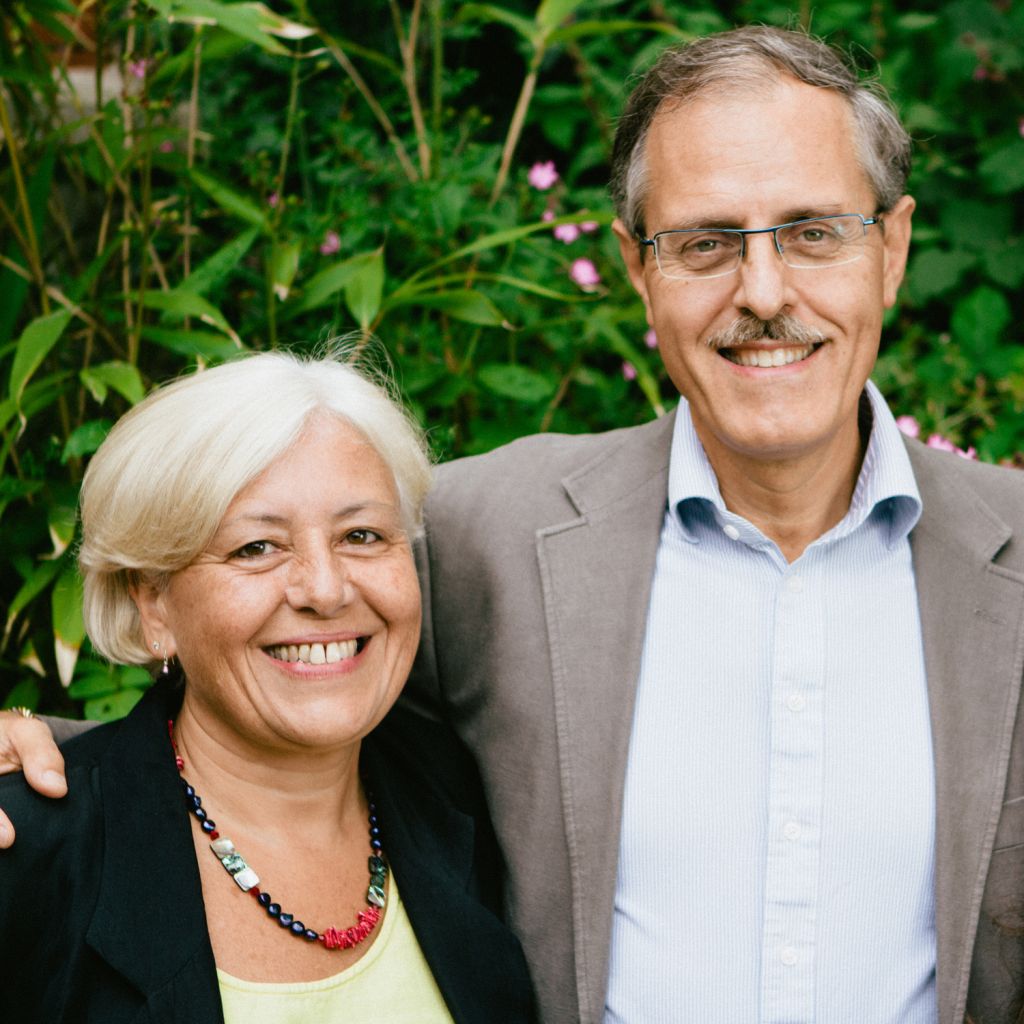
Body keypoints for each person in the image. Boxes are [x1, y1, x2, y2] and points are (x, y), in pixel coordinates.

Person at [3, 24, 1023, 1024]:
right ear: (638, 269)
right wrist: (39, 764)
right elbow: (269, 664)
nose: (762, 292)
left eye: (813, 232)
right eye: (705, 243)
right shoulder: (484, 533)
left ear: (891, 247)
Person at [0, 351, 535, 1023]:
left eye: (362, 535)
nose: (325, 590)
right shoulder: (27, 854)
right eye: (256, 547)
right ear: (153, 604)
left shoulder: (460, 794)